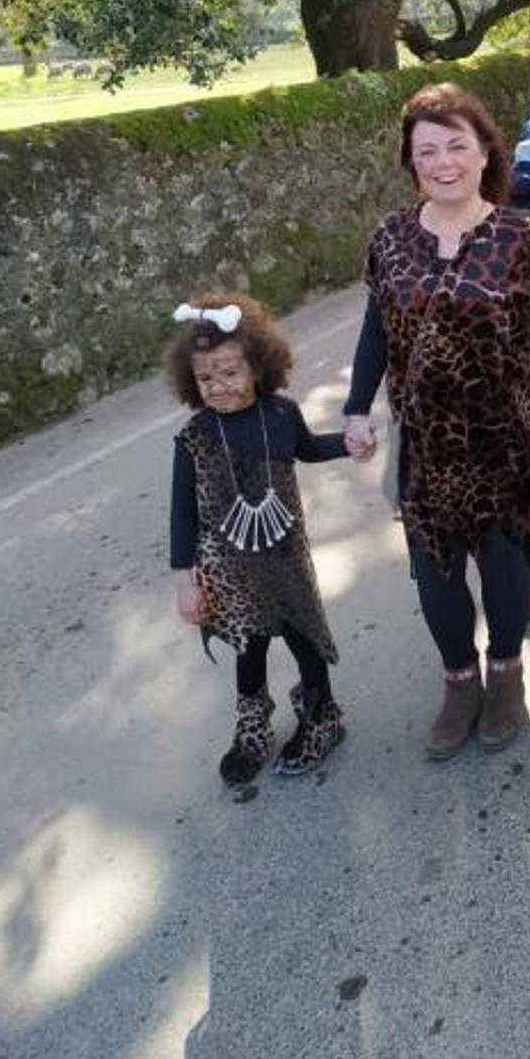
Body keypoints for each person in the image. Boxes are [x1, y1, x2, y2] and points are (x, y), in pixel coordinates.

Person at [343, 84, 530, 761]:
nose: (443, 162)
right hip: (424, 442)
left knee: (501, 567)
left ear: (485, 150)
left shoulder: (521, 237)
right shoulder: (390, 238)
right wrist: (356, 404)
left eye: (456, 146)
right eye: (427, 150)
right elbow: (378, 328)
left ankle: (503, 675)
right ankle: (458, 682)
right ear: (411, 163)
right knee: (434, 573)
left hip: (504, 441)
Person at [168, 295, 348, 785]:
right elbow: (181, 514)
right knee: (249, 646)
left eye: (229, 372)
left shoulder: (282, 415)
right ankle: (253, 728)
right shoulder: (195, 437)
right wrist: (186, 582)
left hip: (285, 554)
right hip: (228, 565)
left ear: (259, 367)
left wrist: (348, 443)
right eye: (206, 378)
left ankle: (322, 716)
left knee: (302, 634)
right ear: (191, 381)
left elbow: (308, 450)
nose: (218, 386)